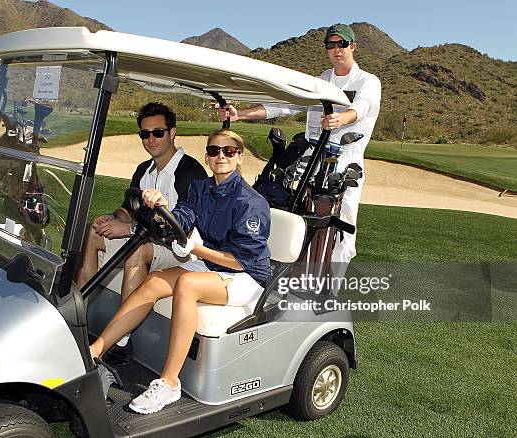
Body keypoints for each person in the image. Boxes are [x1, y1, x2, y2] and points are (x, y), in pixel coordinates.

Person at [90, 129, 271, 414]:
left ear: (240, 156)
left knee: (186, 283)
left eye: (229, 151)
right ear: (207, 156)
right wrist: (162, 206)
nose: (220, 156)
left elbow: (239, 261)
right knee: (153, 282)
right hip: (210, 266)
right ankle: (95, 351)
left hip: (246, 277)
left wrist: (195, 250)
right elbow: (184, 216)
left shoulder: (251, 202)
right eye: (214, 151)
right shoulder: (201, 188)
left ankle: (169, 382)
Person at [221, 23, 381, 265]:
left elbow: (361, 108)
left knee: (342, 231)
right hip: (312, 166)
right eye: (331, 44)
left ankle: (330, 290)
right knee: (303, 223)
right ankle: (298, 283)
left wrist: (340, 119)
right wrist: (240, 114)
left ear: (353, 46)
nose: (337, 49)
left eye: (342, 44)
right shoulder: (320, 81)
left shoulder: (368, 82)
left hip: (346, 167)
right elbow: (285, 105)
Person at [76, 102, 207, 347]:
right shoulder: (144, 170)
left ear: (172, 133)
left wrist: (129, 229)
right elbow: (128, 209)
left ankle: (121, 339)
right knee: (95, 231)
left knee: (137, 250)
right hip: (149, 240)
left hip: (184, 253)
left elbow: (180, 228)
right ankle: (79, 314)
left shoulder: (190, 172)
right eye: (145, 134)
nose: (151, 139)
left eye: (158, 132)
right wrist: (113, 219)